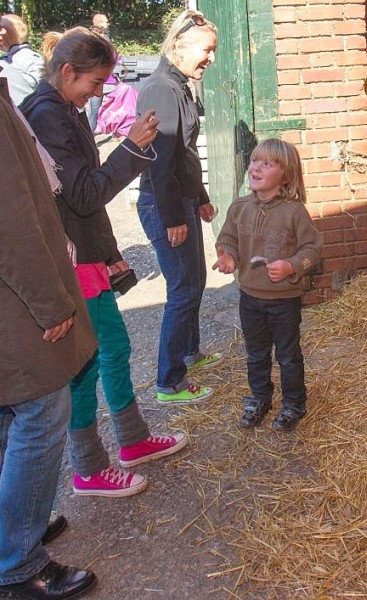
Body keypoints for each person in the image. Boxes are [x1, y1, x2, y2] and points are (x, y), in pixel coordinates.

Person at [21, 27, 188, 498]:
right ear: (67, 71)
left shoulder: (63, 110)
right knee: (87, 361)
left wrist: (110, 252)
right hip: (72, 261)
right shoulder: (48, 115)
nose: (99, 93)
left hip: (86, 256)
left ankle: (132, 441)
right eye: (94, 83)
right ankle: (89, 467)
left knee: (110, 350)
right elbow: (84, 193)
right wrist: (132, 147)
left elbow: (83, 198)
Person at [0, 77, 98, 599]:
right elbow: (10, 221)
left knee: (9, 414)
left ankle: (12, 530)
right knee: (41, 412)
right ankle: (16, 563)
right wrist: (51, 299)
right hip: (14, 300)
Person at [136, 10, 221, 405]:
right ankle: (169, 382)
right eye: (207, 50)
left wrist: (199, 198)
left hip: (180, 198)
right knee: (183, 287)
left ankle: (190, 353)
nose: (211, 59)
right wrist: (172, 216)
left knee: (195, 280)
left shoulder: (179, 84)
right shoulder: (161, 88)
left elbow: (184, 154)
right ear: (180, 45)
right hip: (163, 202)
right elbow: (159, 158)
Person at [213, 138, 323, 431]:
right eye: (254, 161)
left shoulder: (294, 211)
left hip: (283, 299)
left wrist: (291, 266)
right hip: (249, 296)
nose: (256, 168)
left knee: (287, 355)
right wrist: (227, 257)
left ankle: (294, 403)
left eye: (267, 163)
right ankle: (260, 397)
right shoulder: (238, 208)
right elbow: (227, 239)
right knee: (256, 352)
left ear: (285, 175)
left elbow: (313, 249)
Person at [0, 13, 44, 105]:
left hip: (25, 109)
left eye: (2, 27)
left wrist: (15, 78)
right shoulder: (8, 58)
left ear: (19, 31)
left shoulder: (26, 55)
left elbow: (42, 80)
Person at [86, 13, 110, 132]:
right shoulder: (102, 40)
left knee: (92, 111)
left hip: (93, 78)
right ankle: (90, 138)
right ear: (99, 23)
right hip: (98, 79)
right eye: (106, 22)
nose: (108, 24)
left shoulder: (88, 36)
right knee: (94, 111)